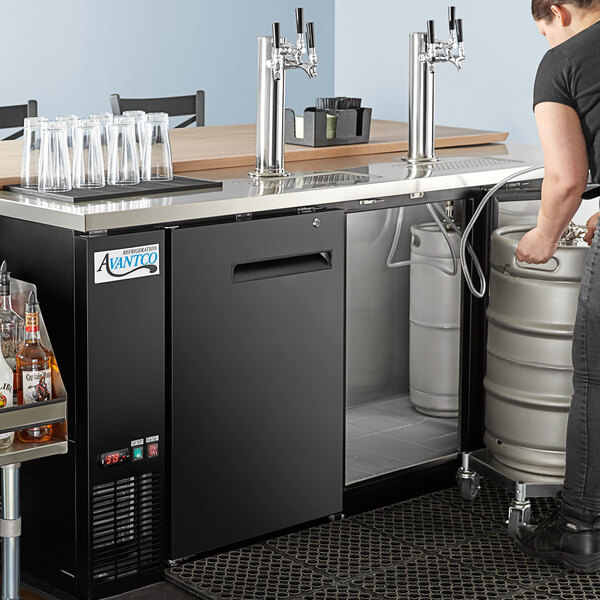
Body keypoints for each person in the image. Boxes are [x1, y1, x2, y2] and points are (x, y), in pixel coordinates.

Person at [515, 0, 600, 573]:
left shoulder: (562, 60)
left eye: (542, 26)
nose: (545, 36)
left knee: (596, 380)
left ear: (558, 11)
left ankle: (581, 531)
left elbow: (568, 176)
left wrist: (544, 235)